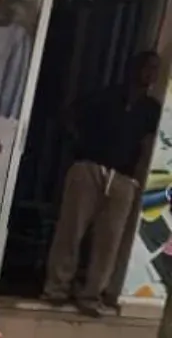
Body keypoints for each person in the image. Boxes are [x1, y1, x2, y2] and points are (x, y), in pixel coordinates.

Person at [44, 51, 163, 318]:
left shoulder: (151, 110)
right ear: (132, 68)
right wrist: (81, 144)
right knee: (71, 230)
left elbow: (149, 145)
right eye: (146, 67)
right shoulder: (104, 97)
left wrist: (139, 177)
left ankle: (92, 294)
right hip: (90, 167)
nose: (150, 73)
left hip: (123, 179)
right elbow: (68, 116)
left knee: (109, 240)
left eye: (155, 69)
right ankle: (57, 288)